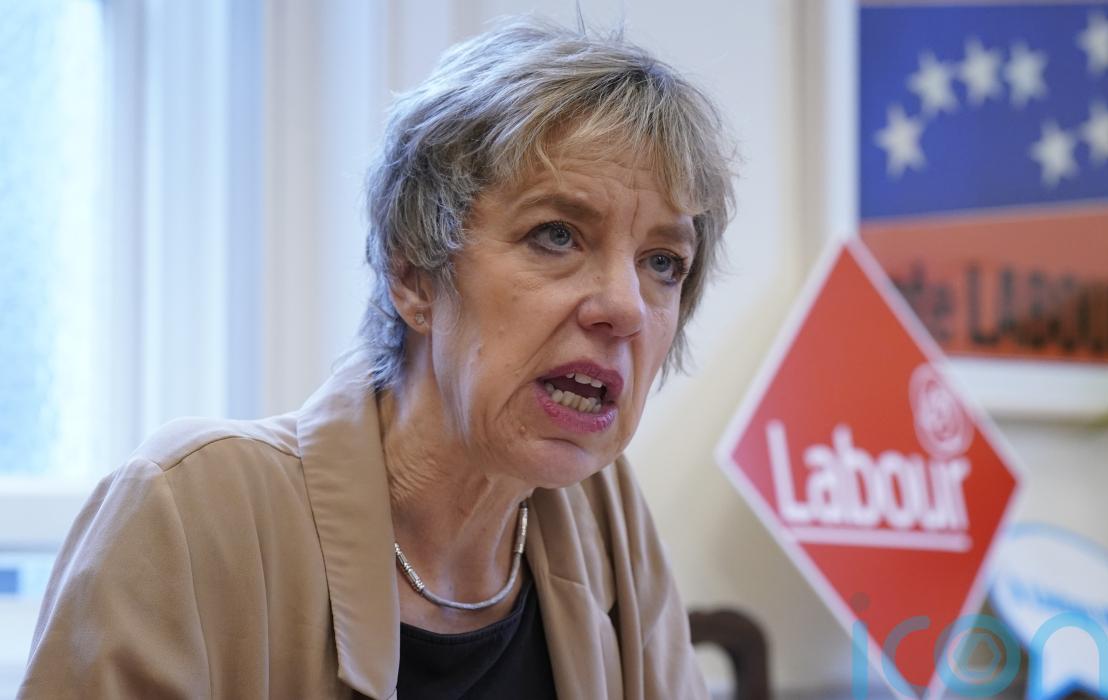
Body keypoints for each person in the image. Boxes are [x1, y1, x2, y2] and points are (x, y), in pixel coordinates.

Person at [19, 16, 734, 700]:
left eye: (662, 262)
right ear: (413, 274)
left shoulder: (601, 516)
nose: (626, 308)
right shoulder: (189, 510)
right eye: (556, 235)